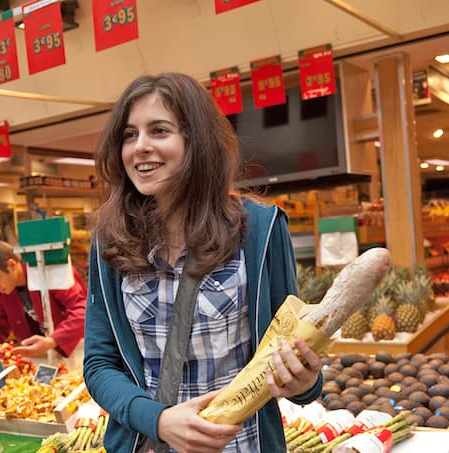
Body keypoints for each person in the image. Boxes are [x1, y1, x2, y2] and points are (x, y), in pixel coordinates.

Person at [83, 73, 323, 453]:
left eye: (159, 131)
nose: (140, 147)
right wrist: (158, 419)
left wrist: (305, 381)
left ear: (196, 141)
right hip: (146, 443)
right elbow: (99, 364)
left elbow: (290, 353)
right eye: (129, 135)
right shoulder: (110, 239)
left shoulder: (259, 230)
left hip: (242, 444)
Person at [0, 240, 86, 359]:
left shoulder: (50, 270)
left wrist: (52, 340)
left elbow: (82, 311)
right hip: (37, 356)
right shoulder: (0, 290)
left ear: (12, 265)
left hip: (75, 350)